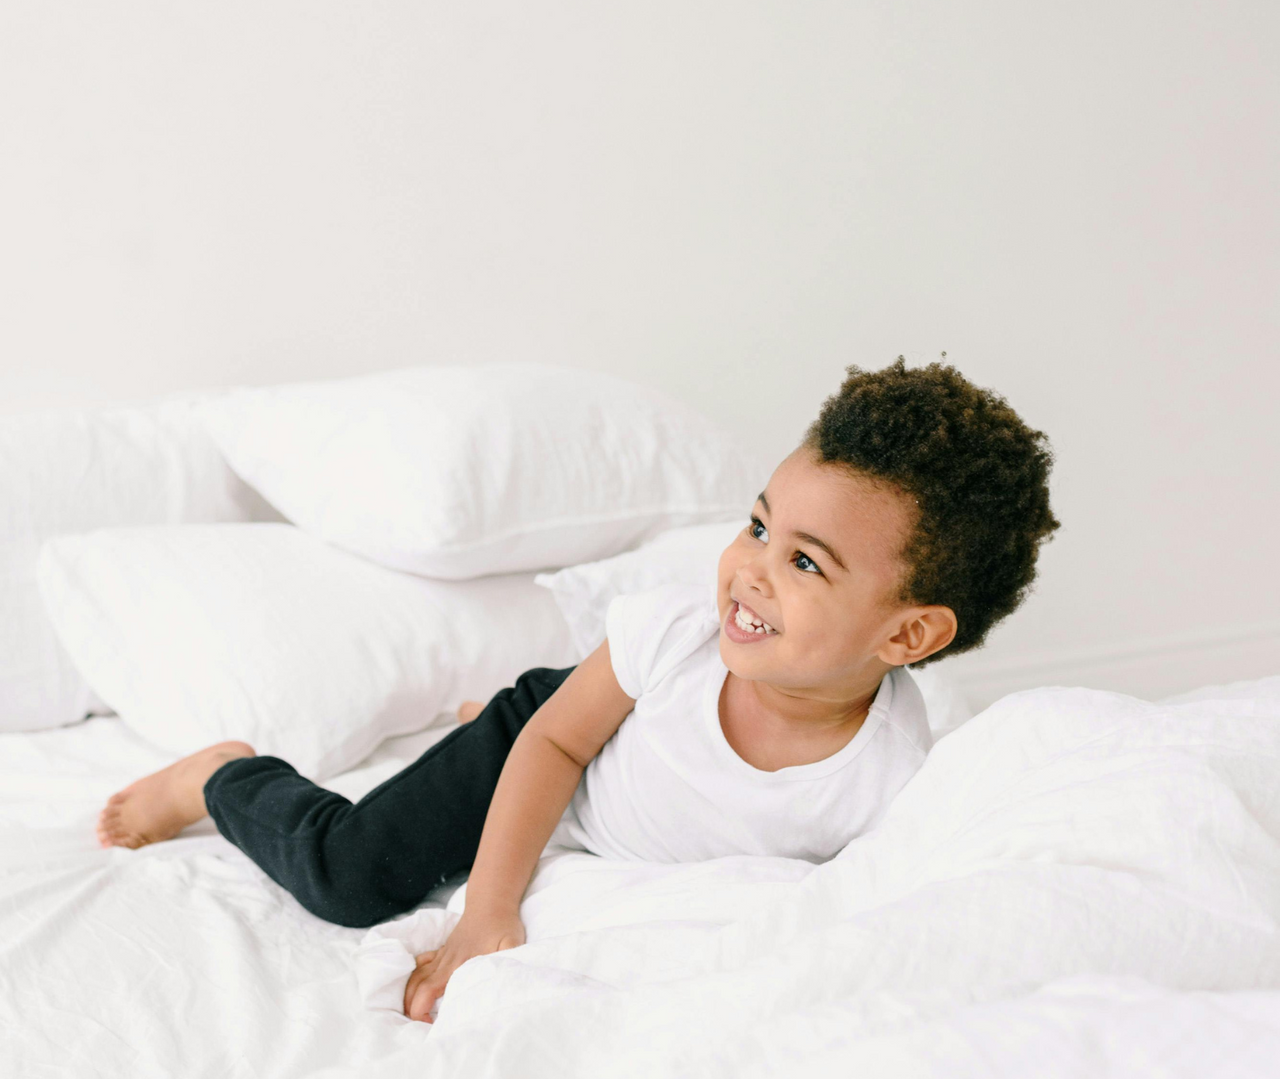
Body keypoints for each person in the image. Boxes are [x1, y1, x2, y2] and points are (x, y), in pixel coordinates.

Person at [96, 358, 1059, 1022]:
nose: (751, 571)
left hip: (609, 747)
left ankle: (490, 718)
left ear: (908, 634)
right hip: (553, 729)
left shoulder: (892, 772)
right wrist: (487, 913)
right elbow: (557, 746)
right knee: (352, 879)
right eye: (758, 526)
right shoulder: (674, 636)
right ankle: (225, 777)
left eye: (805, 561)